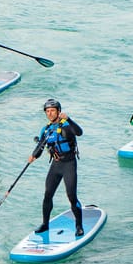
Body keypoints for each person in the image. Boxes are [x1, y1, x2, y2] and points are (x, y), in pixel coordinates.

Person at [29, 99, 84, 237]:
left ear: (59, 111)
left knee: (71, 196)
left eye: (52, 110)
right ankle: (45, 224)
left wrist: (69, 119)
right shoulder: (46, 129)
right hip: (56, 165)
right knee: (48, 195)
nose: (50, 113)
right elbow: (40, 146)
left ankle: (78, 225)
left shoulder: (66, 125)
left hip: (69, 164)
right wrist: (33, 156)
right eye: (47, 111)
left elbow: (79, 132)